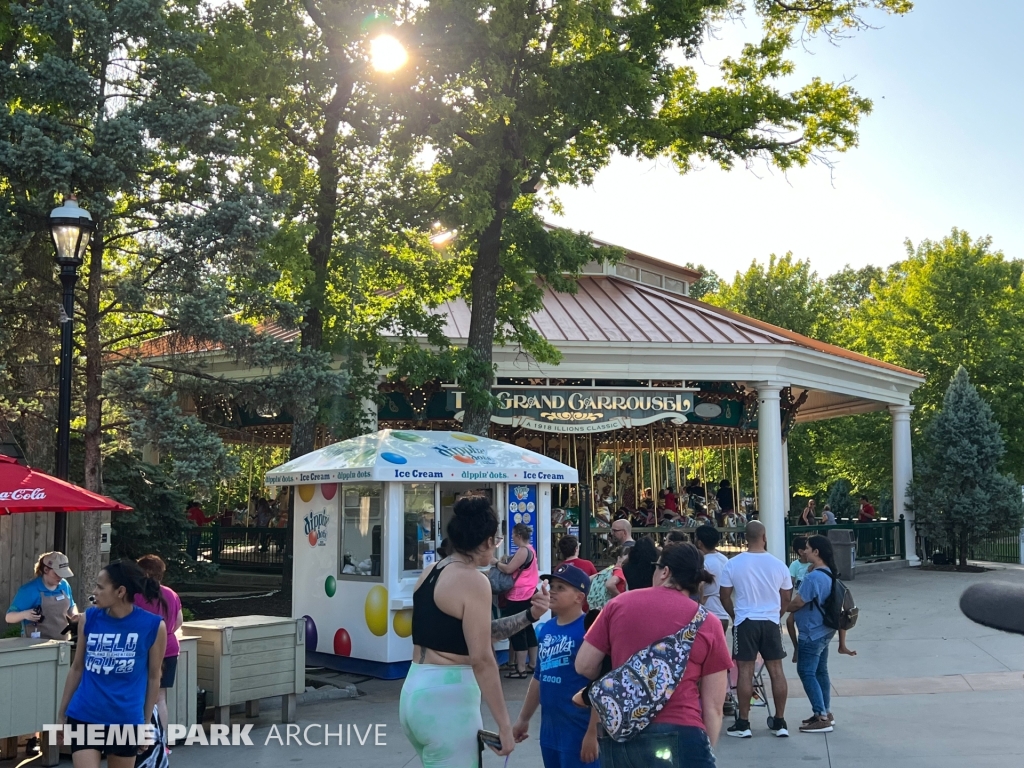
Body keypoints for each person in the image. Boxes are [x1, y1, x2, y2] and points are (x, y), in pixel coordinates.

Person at [576, 542, 731, 767]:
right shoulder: (708, 623)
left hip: (622, 732)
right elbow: (714, 706)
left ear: (665, 571)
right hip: (682, 730)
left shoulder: (618, 604)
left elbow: (584, 666)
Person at [401, 495, 518, 765]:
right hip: (448, 701)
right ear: (488, 540)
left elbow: (457, 630)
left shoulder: (431, 571)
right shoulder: (474, 581)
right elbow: (483, 658)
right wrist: (504, 724)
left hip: (415, 692)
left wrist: (529, 615)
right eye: (496, 541)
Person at [58, 560, 168, 768]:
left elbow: (154, 677)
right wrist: (61, 715)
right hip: (84, 714)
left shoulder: (153, 626)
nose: (94, 592)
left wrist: (145, 725)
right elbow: (77, 668)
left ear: (120, 591)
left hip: (126, 719)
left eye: (100, 587)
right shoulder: (88, 619)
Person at [513, 563, 599, 768]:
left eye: (561, 588)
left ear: (579, 597)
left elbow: (600, 685)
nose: (552, 592)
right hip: (550, 731)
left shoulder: (590, 631)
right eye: (552, 586)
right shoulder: (547, 629)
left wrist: (593, 733)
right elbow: (538, 678)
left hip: (579, 730)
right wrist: (524, 718)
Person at [719, 521, 793, 738]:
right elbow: (787, 596)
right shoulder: (778, 564)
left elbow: (724, 595)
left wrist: (734, 615)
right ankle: (779, 722)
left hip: (745, 621)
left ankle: (744, 723)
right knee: (776, 671)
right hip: (770, 621)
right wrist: (777, 614)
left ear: (745, 538)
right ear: (765, 536)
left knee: (745, 671)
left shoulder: (733, 564)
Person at [786, 535, 844, 733]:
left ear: (816, 552)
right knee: (821, 671)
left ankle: (821, 716)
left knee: (806, 672)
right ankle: (825, 711)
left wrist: (781, 605)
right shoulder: (828, 573)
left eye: (808, 548)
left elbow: (797, 602)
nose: (805, 551)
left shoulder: (813, 577)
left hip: (811, 632)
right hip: (825, 630)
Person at [134, 555, 182, 729]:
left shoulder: (136, 595)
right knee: (160, 698)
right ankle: (163, 743)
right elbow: (178, 622)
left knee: (141, 695)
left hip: (143, 649)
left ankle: (141, 739)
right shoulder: (172, 594)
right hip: (169, 649)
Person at [694, 526, 736, 714]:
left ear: (700, 542)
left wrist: (700, 600)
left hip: (708, 609)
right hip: (723, 612)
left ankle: (710, 697)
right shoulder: (724, 560)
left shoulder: (703, 562)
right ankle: (725, 694)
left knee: (705, 659)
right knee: (719, 655)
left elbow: (700, 585)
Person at [497, 523, 541, 677]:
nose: (512, 538)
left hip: (519, 595)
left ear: (519, 536)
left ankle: (520, 668)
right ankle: (533, 664)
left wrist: (495, 563)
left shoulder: (523, 551)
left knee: (516, 630)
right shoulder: (531, 550)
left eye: (513, 535)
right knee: (528, 628)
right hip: (529, 593)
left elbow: (509, 569)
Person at [6, 551, 79, 638]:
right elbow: (9, 617)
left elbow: (71, 605)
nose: (60, 577)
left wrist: (75, 615)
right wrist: (25, 614)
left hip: (62, 643)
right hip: (36, 646)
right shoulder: (29, 590)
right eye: (57, 573)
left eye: (63, 574)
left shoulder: (64, 585)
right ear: (46, 570)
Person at [785, 537, 810, 662]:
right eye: (807, 547)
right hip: (799, 599)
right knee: (789, 621)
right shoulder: (795, 565)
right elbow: (789, 585)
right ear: (801, 552)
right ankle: (796, 647)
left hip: (810, 600)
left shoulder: (814, 564)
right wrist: (787, 602)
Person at [558, 535, 597, 612]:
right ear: (576, 549)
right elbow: (596, 582)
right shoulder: (587, 564)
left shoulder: (559, 568)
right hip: (585, 607)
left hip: (565, 608)